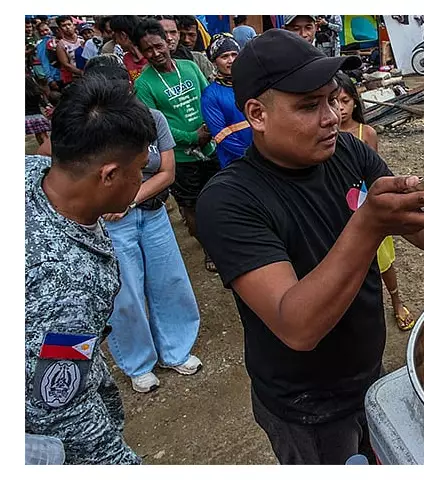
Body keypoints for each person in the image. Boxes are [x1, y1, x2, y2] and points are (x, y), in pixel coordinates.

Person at [195, 29, 424, 464]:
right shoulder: (229, 200)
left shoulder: (348, 153)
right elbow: (298, 326)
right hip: (306, 406)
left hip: (369, 373)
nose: (332, 116)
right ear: (258, 114)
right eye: (309, 105)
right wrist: (368, 225)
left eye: (333, 99)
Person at [25, 74, 156, 465]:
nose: (141, 179)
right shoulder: (68, 285)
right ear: (110, 175)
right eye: (139, 170)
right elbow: (58, 405)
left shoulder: (31, 174)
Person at [79, 57, 203, 393]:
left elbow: (167, 173)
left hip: (151, 212)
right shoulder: (89, 129)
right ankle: (138, 362)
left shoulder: (154, 119)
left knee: (170, 281)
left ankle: (176, 350)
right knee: (126, 293)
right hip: (112, 223)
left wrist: (128, 199)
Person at [133, 18, 219, 273]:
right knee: (192, 207)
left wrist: (210, 129)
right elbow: (157, 125)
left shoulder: (189, 66)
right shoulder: (143, 84)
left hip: (211, 148)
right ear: (140, 51)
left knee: (219, 198)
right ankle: (209, 249)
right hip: (181, 158)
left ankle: (227, 240)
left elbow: (208, 97)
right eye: (147, 49)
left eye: (158, 45)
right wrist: (193, 137)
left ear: (168, 41)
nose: (155, 53)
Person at [335, 72, 415, 331]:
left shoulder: (365, 133)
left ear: (355, 102)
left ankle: (396, 300)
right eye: (334, 101)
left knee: (383, 258)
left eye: (345, 101)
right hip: (341, 207)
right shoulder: (326, 135)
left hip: (367, 204)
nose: (340, 108)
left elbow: (376, 174)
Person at [200, 33, 252, 168]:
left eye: (234, 55)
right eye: (224, 56)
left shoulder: (250, 82)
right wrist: (251, 155)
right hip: (235, 161)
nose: (231, 60)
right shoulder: (210, 95)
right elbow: (220, 134)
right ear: (214, 61)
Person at [155, 15, 215, 81]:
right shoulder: (151, 68)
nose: (169, 38)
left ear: (178, 34)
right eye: (164, 33)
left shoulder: (199, 59)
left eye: (173, 32)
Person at [110, 15, 148, 81]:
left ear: (123, 35)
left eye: (115, 37)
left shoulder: (151, 57)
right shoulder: (126, 60)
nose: (116, 41)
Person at [25, 77, 51, 154]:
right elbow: (43, 104)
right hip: (38, 117)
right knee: (43, 136)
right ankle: (48, 153)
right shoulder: (36, 93)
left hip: (26, 118)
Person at [55, 16, 83, 85]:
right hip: (75, 78)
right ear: (60, 29)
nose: (67, 27)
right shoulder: (61, 45)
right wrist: (82, 72)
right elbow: (66, 64)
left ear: (73, 25)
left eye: (69, 24)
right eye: (64, 26)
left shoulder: (82, 38)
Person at [35, 22, 61, 88]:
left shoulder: (56, 39)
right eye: (42, 31)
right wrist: (50, 79)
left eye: (46, 30)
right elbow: (44, 62)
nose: (45, 33)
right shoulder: (41, 44)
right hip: (55, 76)